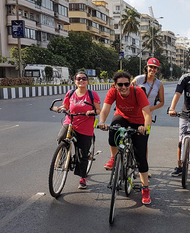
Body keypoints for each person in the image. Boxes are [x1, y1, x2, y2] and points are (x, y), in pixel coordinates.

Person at [99, 71, 153, 205]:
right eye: (120, 84)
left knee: (141, 156)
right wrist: (101, 121)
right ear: (115, 85)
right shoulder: (113, 92)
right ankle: (114, 158)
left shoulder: (138, 92)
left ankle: (145, 188)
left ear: (130, 83)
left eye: (126, 84)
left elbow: (147, 114)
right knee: (113, 128)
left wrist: (145, 127)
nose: (123, 87)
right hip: (122, 118)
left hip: (138, 123)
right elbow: (105, 110)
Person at [54, 71, 101, 189]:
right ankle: (63, 159)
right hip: (70, 122)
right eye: (78, 78)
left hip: (85, 125)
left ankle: (82, 177)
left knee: (82, 154)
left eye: (83, 78)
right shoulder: (70, 93)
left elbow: (99, 110)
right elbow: (66, 106)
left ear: (87, 81)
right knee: (61, 137)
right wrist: (60, 108)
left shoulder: (92, 94)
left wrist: (91, 112)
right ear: (75, 80)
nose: (81, 81)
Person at [132, 57, 165, 178]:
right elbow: (127, 91)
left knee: (143, 142)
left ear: (157, 70)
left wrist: (150, 109)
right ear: (147, 67)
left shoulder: (159, 84)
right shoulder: (138, 79)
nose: (152, 69)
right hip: (133, 113)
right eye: (151, 67)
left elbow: (161, 102)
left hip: (146, 116)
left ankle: (143, 168)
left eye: (155, 68)